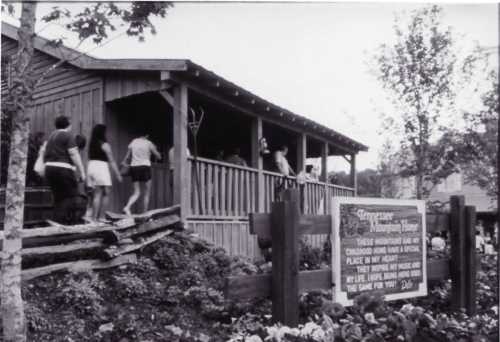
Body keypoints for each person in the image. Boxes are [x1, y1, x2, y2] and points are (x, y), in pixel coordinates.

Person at [44, 115, 86, 224]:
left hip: (49, 169)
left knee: (58, 197)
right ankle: (70, 225)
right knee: (72, 196)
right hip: (62, 169)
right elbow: (74, 154)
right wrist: (82, 172)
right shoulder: (67, 135)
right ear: (68, 124)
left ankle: (56, 223)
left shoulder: (51, 136)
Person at [86, 124, 122, 220]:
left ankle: (94, 218)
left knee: (96, 193)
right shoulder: (105, 145)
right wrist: (118, 174)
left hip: (91, 166)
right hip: (101, 167)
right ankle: (101, 217)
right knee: (105, 193)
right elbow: (112, 160)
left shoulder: (92, 144)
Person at [122, 129, 161, 215]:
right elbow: (158, 156)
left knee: (136, 192)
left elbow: (127, 156)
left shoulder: (133, 142)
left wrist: (124, 162)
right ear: (147, 135)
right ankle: (145, 214)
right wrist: (156, 150)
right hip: (145, 167)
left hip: (134, 167)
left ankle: (127, 207)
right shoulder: (148, 143)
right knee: (147, 192)